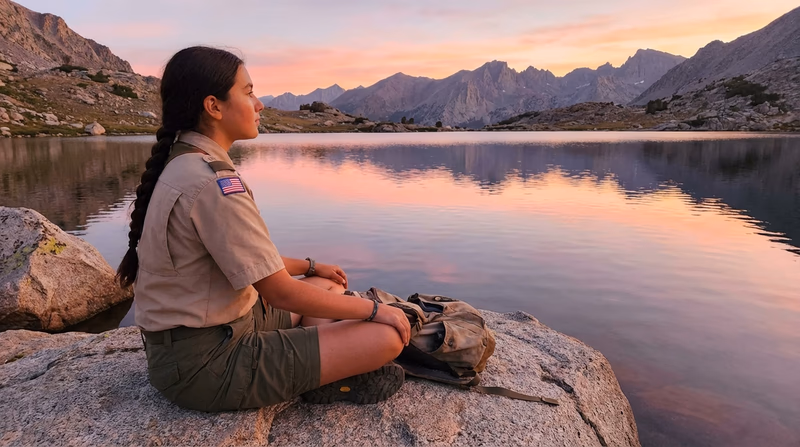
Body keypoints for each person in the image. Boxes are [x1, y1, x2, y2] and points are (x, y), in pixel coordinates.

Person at [116, 46, 411, 412]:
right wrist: (373, 311)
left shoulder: (184, 162)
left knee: (330, 284)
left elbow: (252, 262)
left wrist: (311, 266)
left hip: (219, 330)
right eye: (249, 91)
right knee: (386, 336)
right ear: (214, 106)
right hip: (207, 364)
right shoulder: (212, 183)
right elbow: (280, 291)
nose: (260, 105)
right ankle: (319, 372)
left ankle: (314, 366)